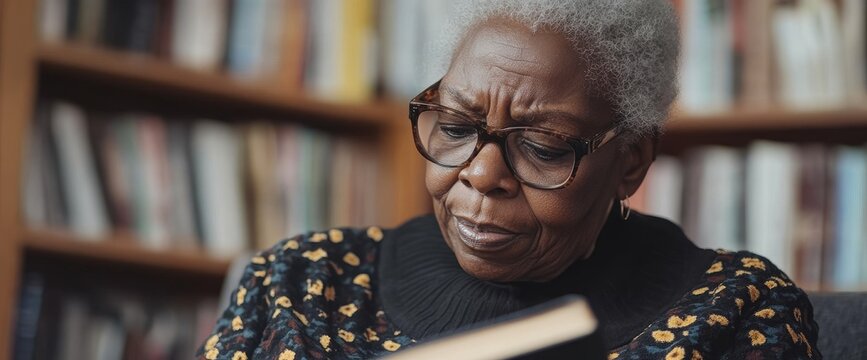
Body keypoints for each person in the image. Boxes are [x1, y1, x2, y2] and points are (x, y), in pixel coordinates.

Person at [198, 1, 821, 359]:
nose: (480, 173)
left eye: (543, 148)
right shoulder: (302, 283)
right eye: (457, 125)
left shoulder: (735, 310)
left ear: (630, 162)